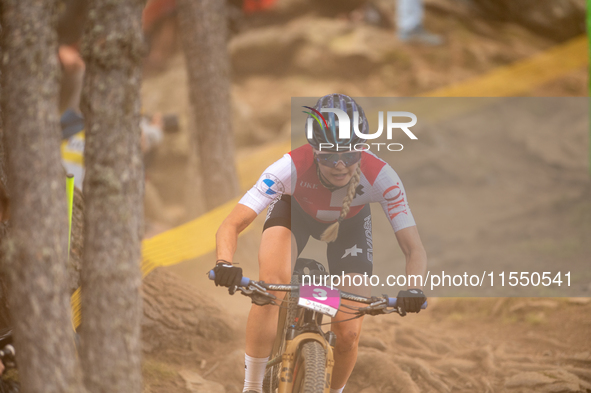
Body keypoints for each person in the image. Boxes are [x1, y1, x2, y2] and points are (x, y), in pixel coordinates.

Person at [213, 94, 427, 393]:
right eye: (328, 156)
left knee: (349, 330)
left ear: (362, 149)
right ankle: (252, 388)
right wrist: (224, 262)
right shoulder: (289, 167)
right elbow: (232, 223)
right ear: (314, 151)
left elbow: (412, 247)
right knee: (271, 288)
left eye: (350, 155)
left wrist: (414, 288)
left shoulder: (382, 176)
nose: (340, 166)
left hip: (349, 226)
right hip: (294, 214)